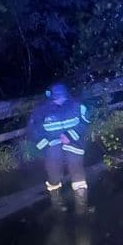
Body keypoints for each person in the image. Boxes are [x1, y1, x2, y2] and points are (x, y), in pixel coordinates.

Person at [29, 83, 91, 211]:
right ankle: (56, 203)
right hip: (52, 148)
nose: (60, 100)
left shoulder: (77, 106)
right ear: (51, 97)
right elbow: (34, 132)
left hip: (74, 145)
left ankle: (82, 207)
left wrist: (70, 136)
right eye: (57, 97)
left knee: (78, 173)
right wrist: (46, 145)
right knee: (54, 175)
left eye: (62, 97)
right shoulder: (40, 111)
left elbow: (85, 123)